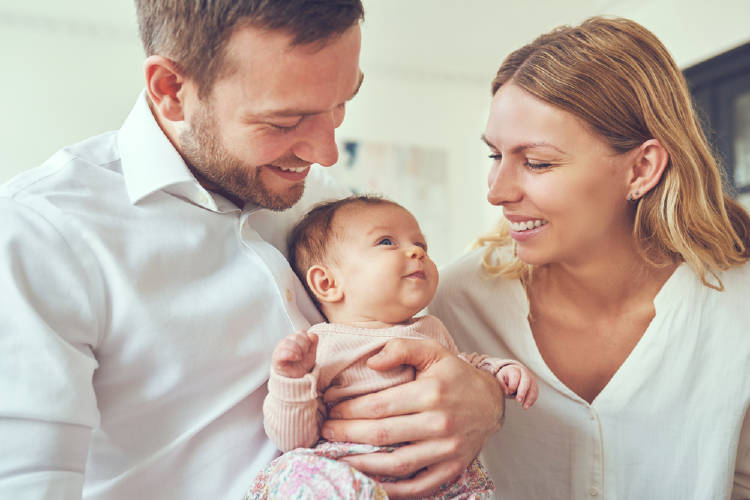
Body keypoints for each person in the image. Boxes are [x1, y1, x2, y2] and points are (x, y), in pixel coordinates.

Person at [0, 2, 507, 499]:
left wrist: (483, 398)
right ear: (171, 90)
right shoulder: (42, 233)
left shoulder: (322, 196)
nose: (325, 151)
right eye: (285, 121)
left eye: (340, 104)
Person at [429, 16, 750, 500]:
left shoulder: (737, 306)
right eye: (495, 156)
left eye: (537, 162)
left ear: (641, 168)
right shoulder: (454, 305)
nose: (496, 192)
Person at [249, 195, 538, 499]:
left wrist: (497, 372)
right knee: (296, 473)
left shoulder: (430, 328)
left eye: (422, 245)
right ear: (327, 284)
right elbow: (293, 439)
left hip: (436, 477)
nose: (416, 251)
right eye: (386, 242)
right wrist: (291, 380)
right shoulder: (321, 344)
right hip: (351, 469)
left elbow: (463, 372)